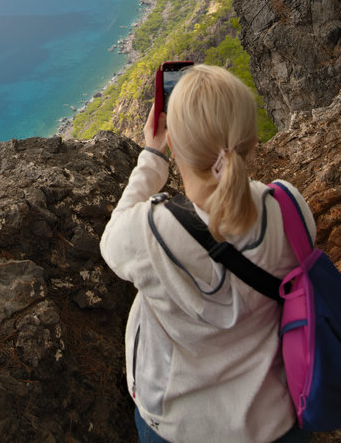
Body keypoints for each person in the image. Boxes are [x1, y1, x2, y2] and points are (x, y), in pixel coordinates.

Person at [100, 64, 314, 443]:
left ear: (176, 144)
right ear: (251, 138)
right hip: (277, 420)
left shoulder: (149, 232)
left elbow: (110, 240)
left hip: (178, 427)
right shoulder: (290, 208)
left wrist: (152, 155)